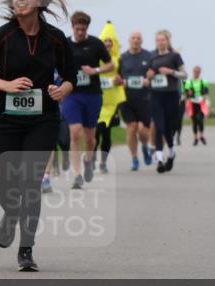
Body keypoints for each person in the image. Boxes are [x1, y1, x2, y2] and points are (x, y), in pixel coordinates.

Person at [0, 0, 75, 272]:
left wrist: (62, 89)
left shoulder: (55, 38)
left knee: (30, 183)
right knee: (8, 185)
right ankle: (10, 214)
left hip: (42, 120)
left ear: (39, 0)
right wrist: (5, 84)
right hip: (4, 120)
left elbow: (71, 75)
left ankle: (26, 250)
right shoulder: (1, 36)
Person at [60, 12, 113, 189]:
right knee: (75, 133)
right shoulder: (65, 44)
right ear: (72, 27)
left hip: (92, 95)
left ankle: (89, 160)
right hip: (71, 94)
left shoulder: (95, 44)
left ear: (87, 28)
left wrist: (95, 71)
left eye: (83, 29)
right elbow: (55, 64)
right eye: (78, 29)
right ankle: (77, 175)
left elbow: (110, 64)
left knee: (90, 137)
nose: (81, 32)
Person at [146, 30, 187, 173]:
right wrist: (149, 77)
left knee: (168, 128)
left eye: (163, 40)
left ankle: (171, 151)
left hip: (171, 96)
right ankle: (159, 159)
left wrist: (171, 72)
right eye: (158, 40)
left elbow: (184, 75)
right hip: (156, 96)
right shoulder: (153, 59)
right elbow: (148, 78)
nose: (160, 43)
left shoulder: (175, 57)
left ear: (168, 41)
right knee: (159, 126)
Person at [118, 31, 154, 171]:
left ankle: (144, 147)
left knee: (143, 131)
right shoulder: (122, 58)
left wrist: (149, 79)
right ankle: (134, 158)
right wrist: (121, 82)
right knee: (131, 128)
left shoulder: (148, 56)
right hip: (126, 99)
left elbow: (154, 73)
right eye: (133, 38)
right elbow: (117, 77)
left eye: (138, 38)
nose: (136, 40)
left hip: (145, 99)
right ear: (129, 40)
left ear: (142, 41)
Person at [93, 21, 126, 174]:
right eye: (105, 41)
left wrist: (121, 80)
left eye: (110, 41)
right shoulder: (94, 57)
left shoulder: (118, 60)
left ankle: (103, 162)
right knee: (95, 132)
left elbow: (124, 77)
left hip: (112, 101)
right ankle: (92, 159)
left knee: (105, 132)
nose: (107, 44)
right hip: (96, 99)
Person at [185, 66, 209, 145]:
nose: (196, 73)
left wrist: (205, 96)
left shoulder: (203, 81)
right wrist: (188, 93)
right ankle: (195, 138)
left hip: (201, 103)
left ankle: (201, 135)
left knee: (200, 119)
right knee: (194, 121)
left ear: (200, 72)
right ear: (193, 72)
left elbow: (206, 91)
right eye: (195, 71)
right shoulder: (189, 82)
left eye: (198, 71)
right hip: (192, 103)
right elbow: (186, 92)